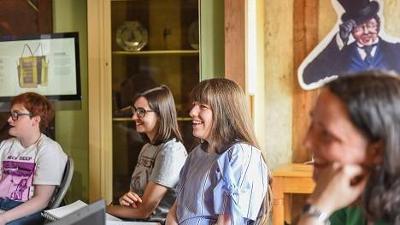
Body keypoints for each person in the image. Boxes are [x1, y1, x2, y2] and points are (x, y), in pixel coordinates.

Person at [298, 71, 400, 225]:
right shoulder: (347, 195)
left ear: (377, 151)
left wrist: (314, 213)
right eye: (312, 125)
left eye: (326, 134)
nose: (307, 142)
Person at [166, 78, 271, 225]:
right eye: (194, 105)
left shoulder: (242, 154)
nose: (192, 112)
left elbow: (228, 222)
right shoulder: (196, 154)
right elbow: (176, 210)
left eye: (203, 106)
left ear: (225, 112)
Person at [107, 85, 187, 221]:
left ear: (160, 115)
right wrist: (124, 200)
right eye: (134, 111)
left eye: (141, 112)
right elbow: (137, 201)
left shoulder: (171, 151)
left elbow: (144, 211)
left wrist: (106, 209)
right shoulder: (147, 147)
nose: (133, 117)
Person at [0, 92, 67, 225]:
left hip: (28, 209)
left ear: (35, 120)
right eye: (11, 114)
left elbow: (42, 200)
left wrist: (3, 218)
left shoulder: (49, 150)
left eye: (16, 115)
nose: (9, 119)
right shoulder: (5, 146)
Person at [301, 0, 400, 86]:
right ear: (351, 31)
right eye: (359, 27)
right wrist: (340, 40)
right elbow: (308, 76)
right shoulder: (341, 56)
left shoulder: (396, 50)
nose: (365, 31)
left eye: (370, 25)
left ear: (378, 25)